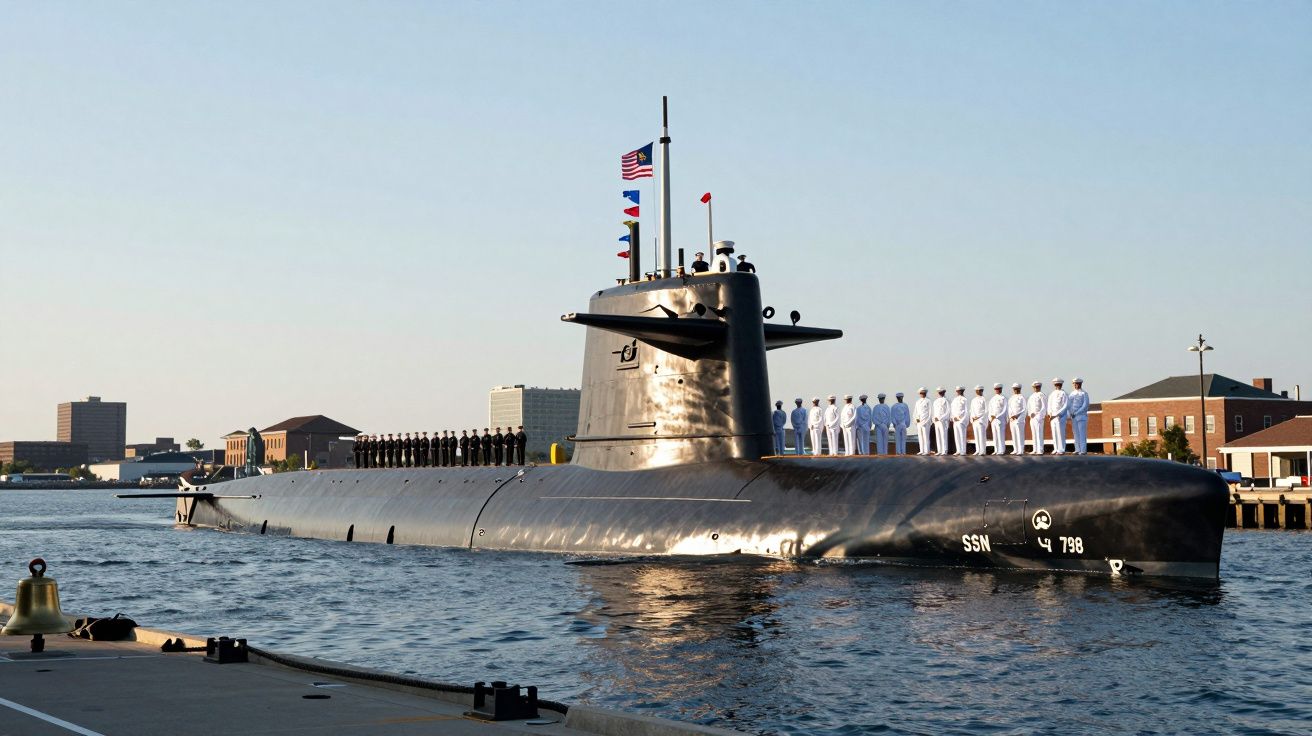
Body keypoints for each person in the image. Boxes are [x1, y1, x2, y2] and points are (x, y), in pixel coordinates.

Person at [1047, 378, 1069, 455]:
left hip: (1060, 416)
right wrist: (1050, 414)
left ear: (1061, 385)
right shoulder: (1052, 394)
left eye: (1059, 385)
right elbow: (1049, 405)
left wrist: (1057, 414)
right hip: (1052, 417)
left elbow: (1065, 406)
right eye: (1056, 385)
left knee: (1060, 433)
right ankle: (1056, 448)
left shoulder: (1064, 393)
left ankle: (1061, 449)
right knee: (1054, 432)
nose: (1057, 386)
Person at [1069, 378, 1091, 455]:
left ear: (1080, 384)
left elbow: (1085, 406)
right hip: (1074, 416)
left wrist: (1077, 412)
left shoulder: (1084, 393)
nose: (1075, 385)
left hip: (1081, 416)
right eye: (1074, 384)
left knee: (1082, 434)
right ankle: (1077, 449)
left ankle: (1083, 450)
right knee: (1075, 433)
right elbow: (1069, 404)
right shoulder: (1072, 394)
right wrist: (1071, 413)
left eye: (1077, 384)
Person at [1027, 381, 1047, 455]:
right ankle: (1035, 449)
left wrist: (1039, 416)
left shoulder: (1042, 395)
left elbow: (1044, 407)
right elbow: (1029, 407)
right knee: (1034, 434)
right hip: (1032, 417)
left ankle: (1040, 449)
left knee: (1039, 433)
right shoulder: (1031, 396)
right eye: (1034, 387)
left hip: (1039, 417)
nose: (1036, 388)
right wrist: (1030, 414)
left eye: (1037, 387)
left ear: (1040, 387)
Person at [987, 384, 1007, 455]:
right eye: (996, 389)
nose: (997, 390)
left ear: (1001, 389)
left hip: (1000, 419)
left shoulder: (1003, 398)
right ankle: (996, 449)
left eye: (999, 389)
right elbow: (990, 409)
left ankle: (1001, 450)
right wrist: (990, 418)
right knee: (995, 435)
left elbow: (1004, 410)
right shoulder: (992, 399)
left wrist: (997, 416)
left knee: (1000, 435)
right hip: (993, 420)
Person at [1007, 384, 1027, 455]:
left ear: (1020, 389)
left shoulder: (1022, 398)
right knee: (1014, 434)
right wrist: (1011, 416)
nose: (1016, 390)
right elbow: (1009, 408)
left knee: (1020, 434)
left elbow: (1024, 409)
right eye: (1014, 389)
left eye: (1017, 389)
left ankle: (1021, 450)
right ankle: (1015, 449)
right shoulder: (1011, 398)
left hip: (1019, 419)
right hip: (1012, 419)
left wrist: (1018, 416)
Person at [950, 386, 969, 457]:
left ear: (962, 391)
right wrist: (953, 417)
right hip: (955, 420)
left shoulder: (964, 400)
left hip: (961, 420)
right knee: (957, 436)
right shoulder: (954, 400)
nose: (958, 392)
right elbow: (952, 410)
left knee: (962, 435)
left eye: (960, 391)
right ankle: (958, 450)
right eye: (957, 391)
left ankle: (963, 450)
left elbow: (966, 411)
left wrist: (962, 420)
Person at [932, 387, 951, 456]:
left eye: (941, 392)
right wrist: (934, 418)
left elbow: (948, 411)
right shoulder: (935, 401)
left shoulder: (946, 400)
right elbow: (933, 412)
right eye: (939, 392)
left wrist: (940, 418)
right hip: (936, 421)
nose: (940, 393)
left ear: (944, 393)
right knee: (938, 435)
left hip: (943, 420)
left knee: (943, 435)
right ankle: (939, 450)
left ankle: (944, 450)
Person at [969, 386, 988, 456]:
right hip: (975, 420)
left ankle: (982, 450)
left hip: (981, 420)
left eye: (979, 390)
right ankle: (978, 450)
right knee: (976, 435)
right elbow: (971, 410)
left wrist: (979, 417)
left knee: (981, 436)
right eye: (977, 391)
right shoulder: (973, 400)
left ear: (982, 391)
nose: (978, 392)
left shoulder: (984, 399)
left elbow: (986, 411)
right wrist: (973, 418)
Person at [913, 388, 932, 455]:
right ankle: (922, 450)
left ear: (925, 393)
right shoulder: (918, 402)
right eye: (921, 393)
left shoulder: (928, 401)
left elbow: (930, 412)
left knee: (926, 436)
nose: (922, 394)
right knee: (920, 436)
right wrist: (916, 419)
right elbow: (915, 412)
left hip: (925, 421)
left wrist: (927, 421)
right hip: (919, 421)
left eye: (923, 393)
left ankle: (927, 451)